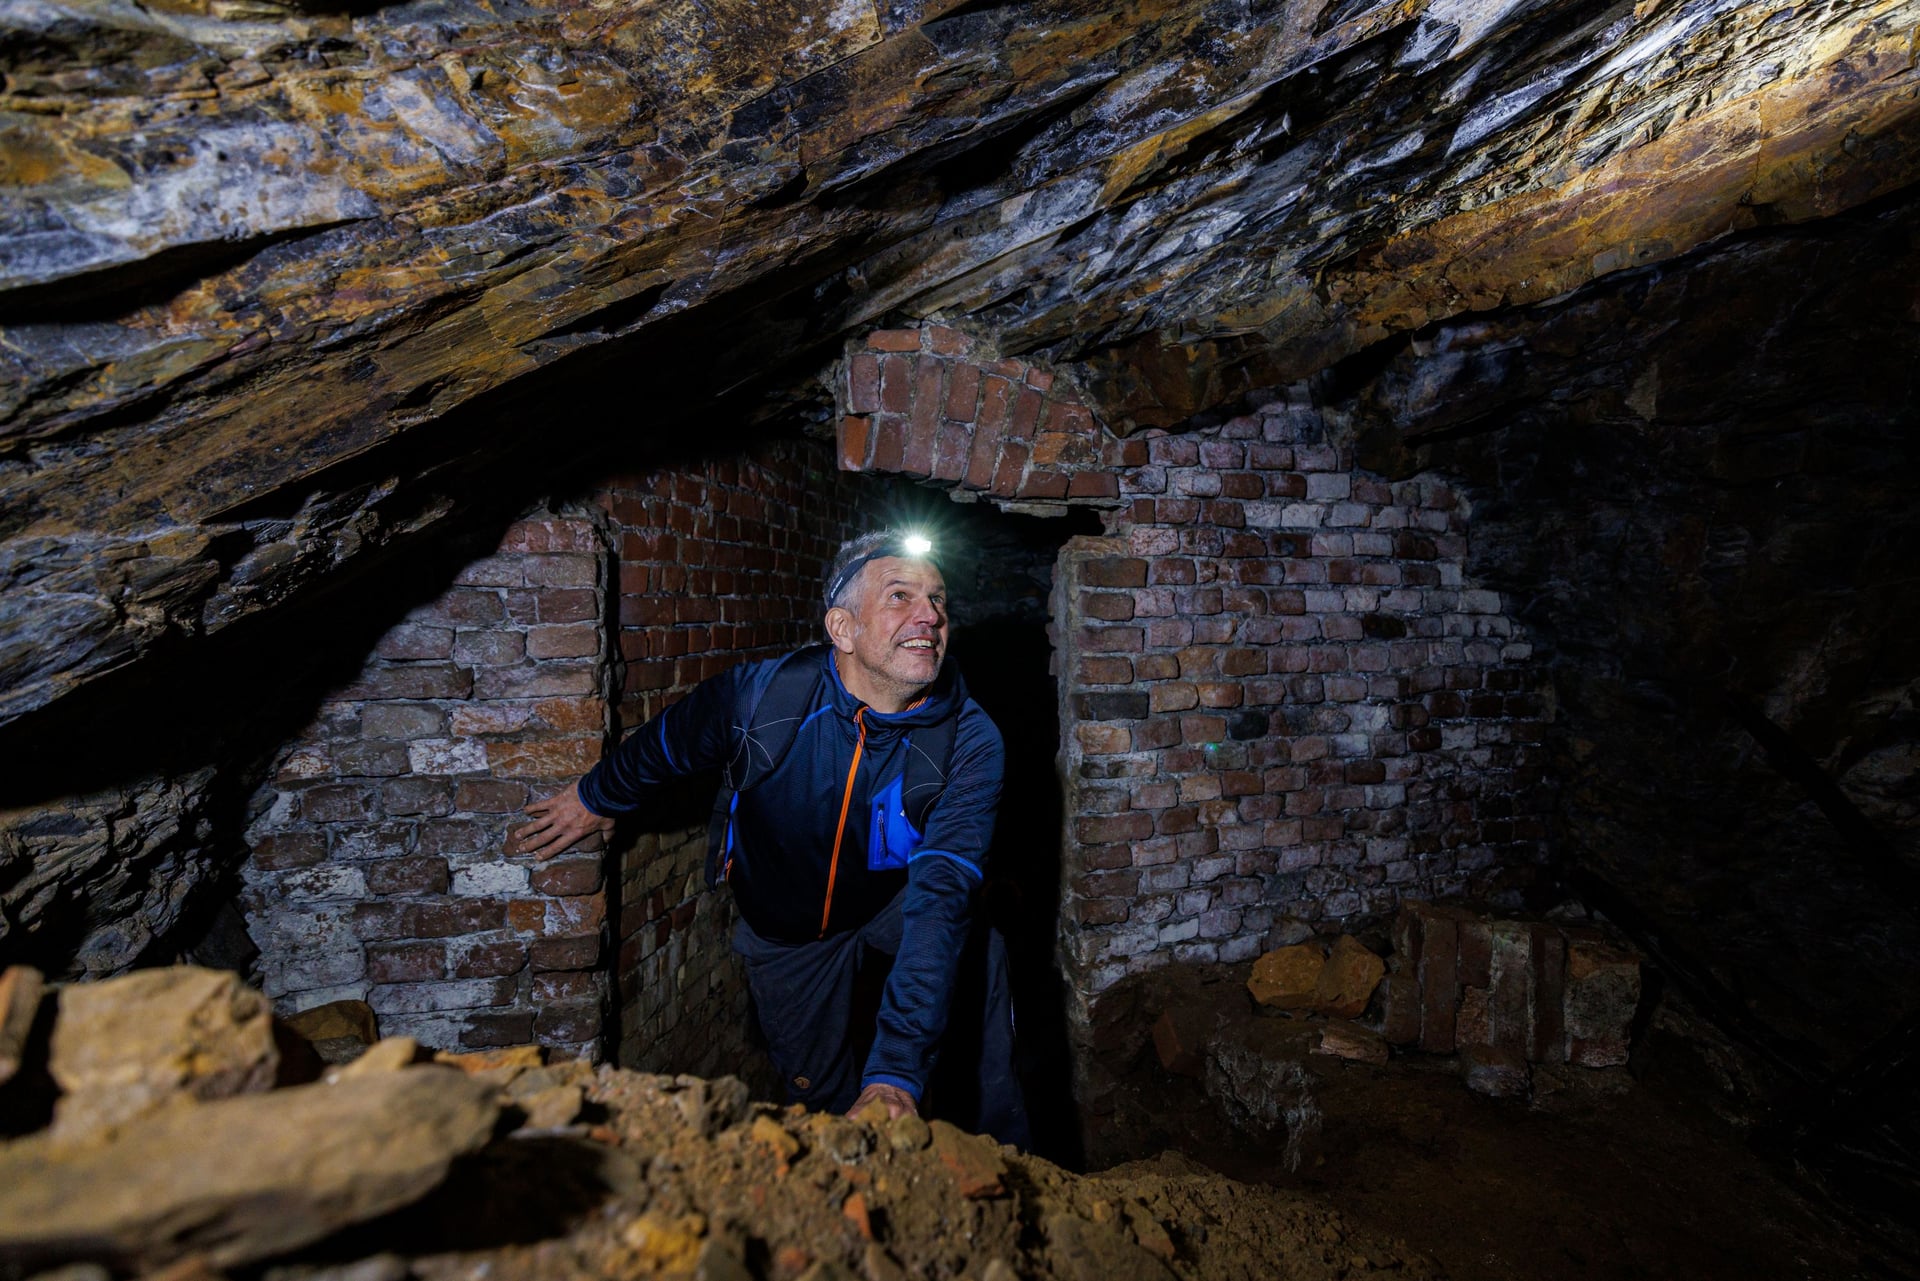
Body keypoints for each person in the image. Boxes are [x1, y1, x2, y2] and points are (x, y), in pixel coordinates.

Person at [510, 529, 1017, 1131]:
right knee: (817, 1095)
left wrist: (895, 1074)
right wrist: (595, 797)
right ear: (843, 629)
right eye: (901, 596)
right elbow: (666, 746)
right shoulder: (761, 700)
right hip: (788, 929)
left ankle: (1002, 1144)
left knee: (978, 948)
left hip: (894, 899)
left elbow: (941, 892)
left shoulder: (971, 739)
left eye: (938, 599)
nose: (930, 615)